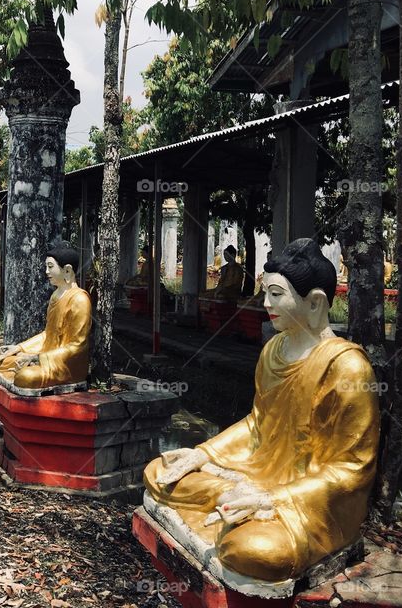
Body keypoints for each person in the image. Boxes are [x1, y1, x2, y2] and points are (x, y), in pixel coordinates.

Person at [143, 238, 380, 582]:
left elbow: (351, 470)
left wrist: (272, 497)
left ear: (315, 303)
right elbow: (257, 424)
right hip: (255, 474)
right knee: (159, 471)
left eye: (276, 294)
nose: (266, 303)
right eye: (266, 292)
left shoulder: (348, 369)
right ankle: (231, 501)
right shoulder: (274, 350)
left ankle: (242, 511)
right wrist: (203, 454)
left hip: (310, 502)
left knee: (255, 551)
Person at [0, 241, 91, 391]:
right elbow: (47, 335)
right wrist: (19, 348)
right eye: (46, 267)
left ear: (67, 271)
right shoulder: (55, 295)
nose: (46, 272)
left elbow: (77, 346)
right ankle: (22, 366)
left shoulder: (80, 299)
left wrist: (36, 358)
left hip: (65, 365)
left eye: (50, 267)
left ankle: (26, 369)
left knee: (26, 376)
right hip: (45, 356)